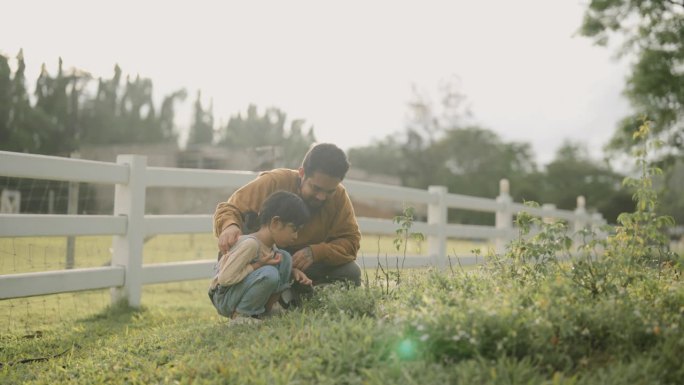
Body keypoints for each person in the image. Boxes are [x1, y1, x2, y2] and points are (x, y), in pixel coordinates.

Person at [213, 143, 362, 301]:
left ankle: (293, 299)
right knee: (241, 240)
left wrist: (316, 252)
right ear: (302, 173)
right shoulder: (275, 181)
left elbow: (351, 242)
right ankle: (239, 302)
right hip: (263, 259)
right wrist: (230, 226)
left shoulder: (339, 197)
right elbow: (230, 208)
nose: (321, 197)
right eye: (316, 188)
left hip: (303, 264)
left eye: (329, 191)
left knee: (351, 272)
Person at [208, 191, 313, 321]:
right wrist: (257, 265)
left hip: (237, 290)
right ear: (275, 222)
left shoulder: (271, 246)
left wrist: (293, 271)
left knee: (285, 258)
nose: (296, 236)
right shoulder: (251, 244)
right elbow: (225, 278)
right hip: (223, 296)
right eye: (294, 229)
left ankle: (267, 310)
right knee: (269, 273)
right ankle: (241, 316)